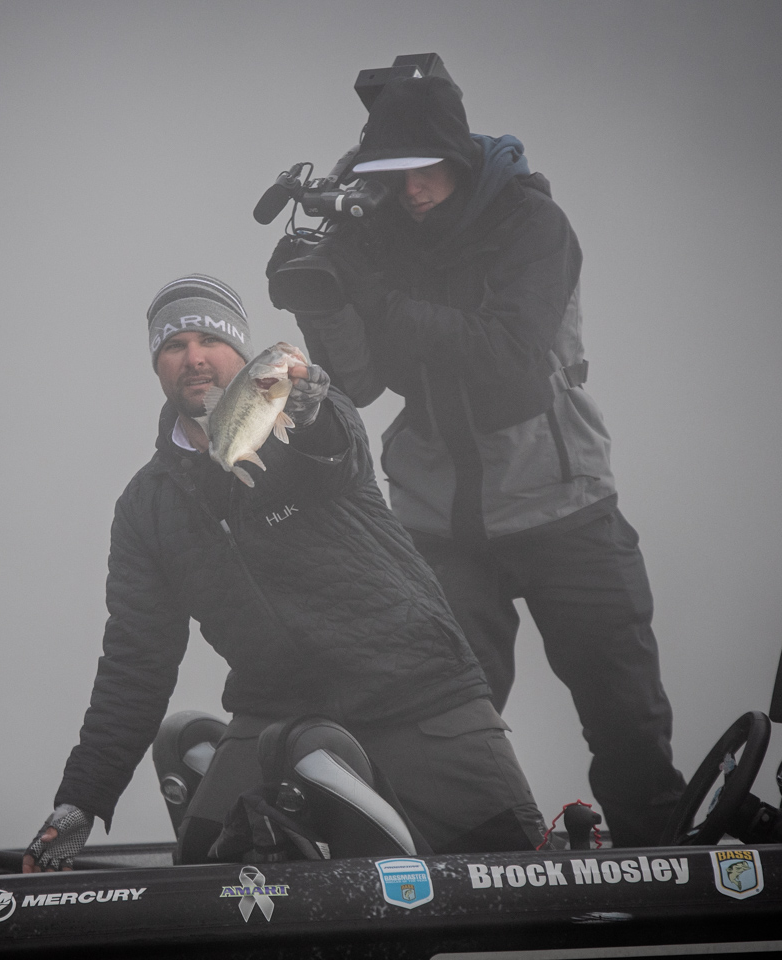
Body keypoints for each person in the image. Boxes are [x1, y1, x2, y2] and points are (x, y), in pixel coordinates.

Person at [272, 75, 686, 846]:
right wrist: (323, 302)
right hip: (439, 516)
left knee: (622, 705)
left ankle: (658, 852)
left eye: (427, 168)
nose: (413, 189)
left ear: (460, 157)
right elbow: (358, 385)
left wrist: (376, 297)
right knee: (438, 713)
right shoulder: (374, 237)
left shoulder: (532, 224)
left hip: (561, 500)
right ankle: (460, 859)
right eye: (395, 174)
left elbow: (509, 356)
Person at [23, 273, 545, 872]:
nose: (194, 358)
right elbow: (135, 662)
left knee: (518, 875)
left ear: (243, 353)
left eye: (211, 340)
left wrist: (311, 409)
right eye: (175, 345)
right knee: (203, 876)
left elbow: (336, 451)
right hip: (276, 713)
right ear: (157, 365)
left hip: (418, 696)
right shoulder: (145, 507)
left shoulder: (313, 416)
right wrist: (82, 800)